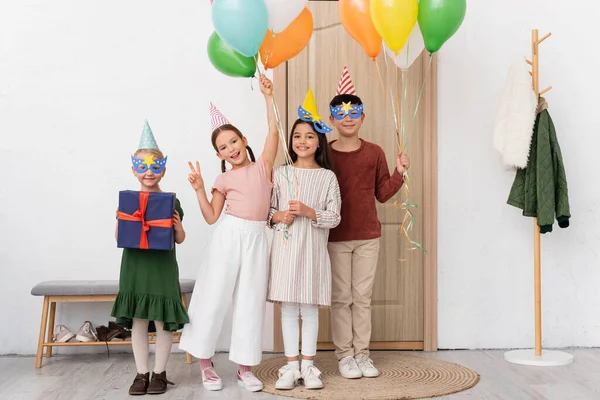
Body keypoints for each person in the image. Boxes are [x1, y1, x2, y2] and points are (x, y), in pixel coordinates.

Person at [179, 75, 278, 392]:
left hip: (257, 237)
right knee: (213, 295)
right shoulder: (222, 181)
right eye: (223, 147)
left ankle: (245, 368)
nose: (231, 148)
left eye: (234, 141)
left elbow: (274, 131)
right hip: (229, 236)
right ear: (219, 155)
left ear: (245, 140)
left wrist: (267, 96)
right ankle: (205, 365)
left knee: (250, 300)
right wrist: (198, 190)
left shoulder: (263, 166)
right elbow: (211, 217)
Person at [327, 67, 411, 379]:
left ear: (362, 117)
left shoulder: (374, 152)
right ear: (332, 119)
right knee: (341, 298)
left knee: (361, 298)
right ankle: (344, 355)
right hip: (334, 236)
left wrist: (399, 173)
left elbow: (383, 194)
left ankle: (362, 354)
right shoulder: (325, 154)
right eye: (341, 112)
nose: (347, 118)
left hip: (367, 237)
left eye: (354, 112)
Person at [267, 89, 342, 390]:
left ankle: (309, 367)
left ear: (319, 141)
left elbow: (334, 217)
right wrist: (279, 215)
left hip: (312, 252)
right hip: (285, 250)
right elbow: (267, 212)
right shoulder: (280, 173)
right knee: (288, 309)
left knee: (309, 309)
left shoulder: (327, 178)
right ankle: (289, 367)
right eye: (298, 135)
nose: (302, 141)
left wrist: (311, 212)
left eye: (309, 136)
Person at [112, 120, 189, 395]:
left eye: (155, 167)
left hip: (161, 268)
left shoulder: (171, 201)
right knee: (138, 322)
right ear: (134, 170)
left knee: (161, 320)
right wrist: (127, 219)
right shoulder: (128, 201)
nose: (148, 172)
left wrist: (178, 227)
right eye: (142, 167)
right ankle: (141, 373)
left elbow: (179, 239)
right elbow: (119, 236)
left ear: (163, 170)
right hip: (135, 266)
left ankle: (159, 373)